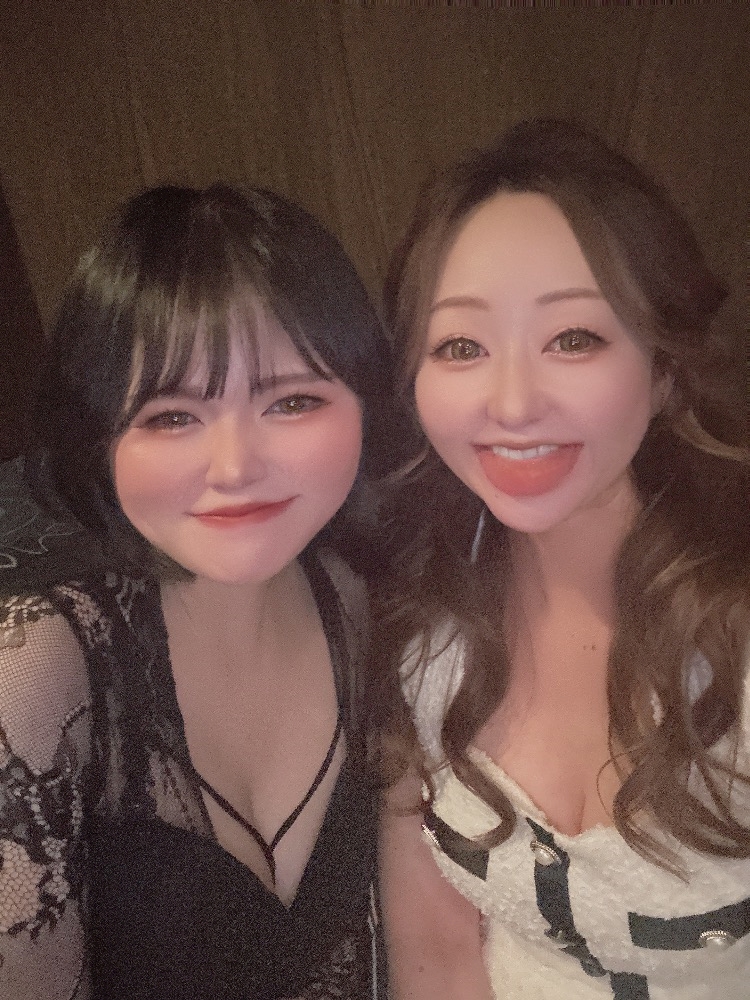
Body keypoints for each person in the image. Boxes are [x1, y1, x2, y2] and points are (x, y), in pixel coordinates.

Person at [376, 119, 750, 999]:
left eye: (573, 338)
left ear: (665, 372)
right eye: (461, 346)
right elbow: (435, 950)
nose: (512, 403)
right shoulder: (421, 633)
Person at [0, 184, 398, 999]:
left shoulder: (376, 611)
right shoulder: (37, 673)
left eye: (292, 401)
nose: (235, 467)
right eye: (172, 416)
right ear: (100, 436)